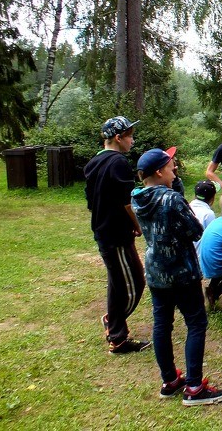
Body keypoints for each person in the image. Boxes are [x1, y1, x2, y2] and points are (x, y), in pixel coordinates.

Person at [131, 148, 222, 406]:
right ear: (160, 171)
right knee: (196, 323)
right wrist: (178, 197)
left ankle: (170, 380)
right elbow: (196, 231)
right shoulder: (171, 199)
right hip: (181, 272)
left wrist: (176, 192)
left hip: (155, 271)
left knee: (162, 324)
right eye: (172, 167)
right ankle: (195, 388)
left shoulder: (138, 197)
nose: (175, 170)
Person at [84, 115, 149, 354]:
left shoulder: (94, 162)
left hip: (104, 230)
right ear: (118, 137)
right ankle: (117, 335)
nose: (133, 140)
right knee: (133, 283)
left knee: (117, 281)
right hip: (115, 234)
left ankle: (114, 327)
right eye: (130, 136)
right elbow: (127, 202)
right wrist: (138, 224)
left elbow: (91, 200)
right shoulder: (118, 162)